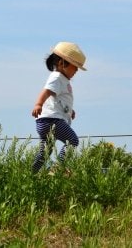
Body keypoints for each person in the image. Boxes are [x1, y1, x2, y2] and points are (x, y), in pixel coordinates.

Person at [31, 41, 87, 173]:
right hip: (52, 121)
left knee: (45, 152)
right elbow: (47, 91)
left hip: (45, 122)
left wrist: (69, 111)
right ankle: (58, 168)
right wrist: (38, 104)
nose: (76, 70)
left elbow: (58, 99)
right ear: (62, 63)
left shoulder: (62, 80)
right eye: (75, 66)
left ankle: (31, 173)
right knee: (72, 140)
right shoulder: (57, 77)